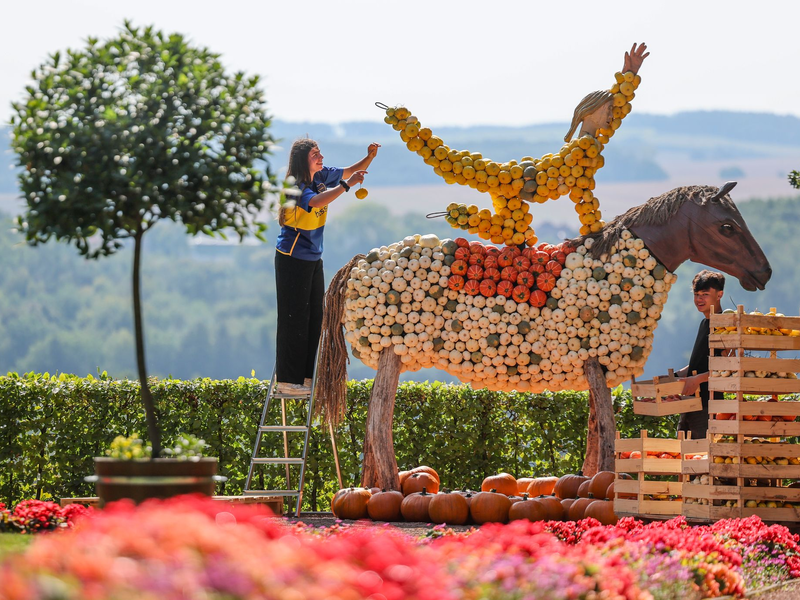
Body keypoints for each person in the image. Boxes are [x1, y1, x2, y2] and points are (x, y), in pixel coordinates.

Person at [274, 139, 380, 395]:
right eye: (314, 154)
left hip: (312, 258)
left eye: (320, 152)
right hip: (292, 258)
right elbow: (317, 201)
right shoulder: (295, 186)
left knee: (315, 318)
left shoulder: (320, 175)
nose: (320, 157)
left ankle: (306, 377)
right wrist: (346, 185)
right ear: (302, 160)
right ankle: (288, 381)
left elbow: (346, 172)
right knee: (293, 318)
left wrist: (370, 157)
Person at [676, 270, 726, 440]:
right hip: (690, 404)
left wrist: (697, 379)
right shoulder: (705, 322)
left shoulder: (726, 325)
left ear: (720, 294)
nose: (699, 299)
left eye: (705, 294)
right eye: (697, 294)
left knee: (702, 459)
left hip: (708, 406)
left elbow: (728, 368)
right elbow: (701, 363)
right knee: (684, 458)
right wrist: (677, 375)